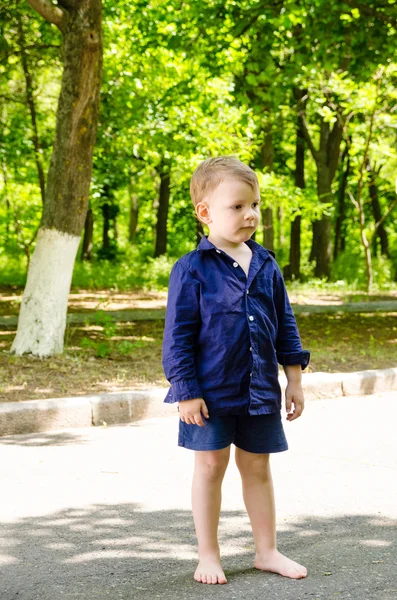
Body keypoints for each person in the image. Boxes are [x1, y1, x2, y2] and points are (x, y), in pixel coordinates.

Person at [161, 156, 310, 585]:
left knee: (258, 468)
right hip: (209, 393)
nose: (250, 214)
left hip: (260, 389)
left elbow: (285, 323)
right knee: (210, 468)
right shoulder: (191, 270)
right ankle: (208, 555)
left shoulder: (266, 264)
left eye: (255, 205)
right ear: (205, 212)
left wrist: (293, 379)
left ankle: (267, 550)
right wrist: (186, 391)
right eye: (238, 206)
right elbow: (178, 338)